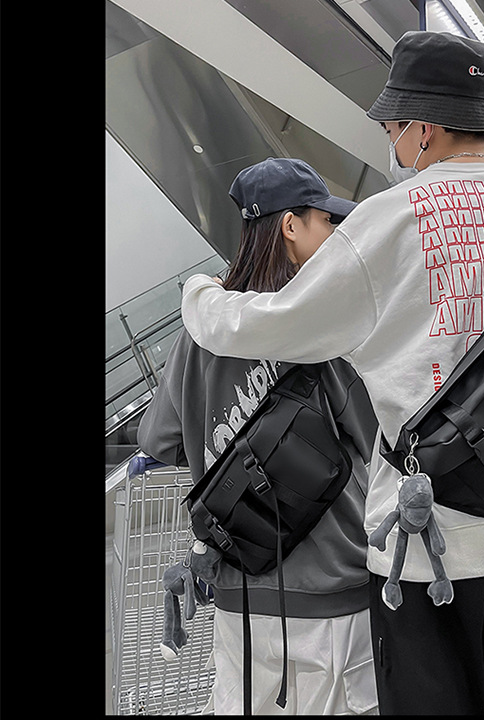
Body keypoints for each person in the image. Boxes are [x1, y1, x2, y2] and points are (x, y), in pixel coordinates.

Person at [179, 31, 484, 716]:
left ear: (423, 128)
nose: (393, 143)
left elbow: (270, 324)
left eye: (393, 128)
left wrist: (200, 294)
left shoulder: (389, 222)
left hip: (423, 553)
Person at [138, 157, 380, 716]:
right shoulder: (323, 327)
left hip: (241, 594)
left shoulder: (200, 332)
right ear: (291, 226)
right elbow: (375, 437)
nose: (333, 235)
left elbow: (161, 439)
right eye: (326, 221)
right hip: (333, 593)